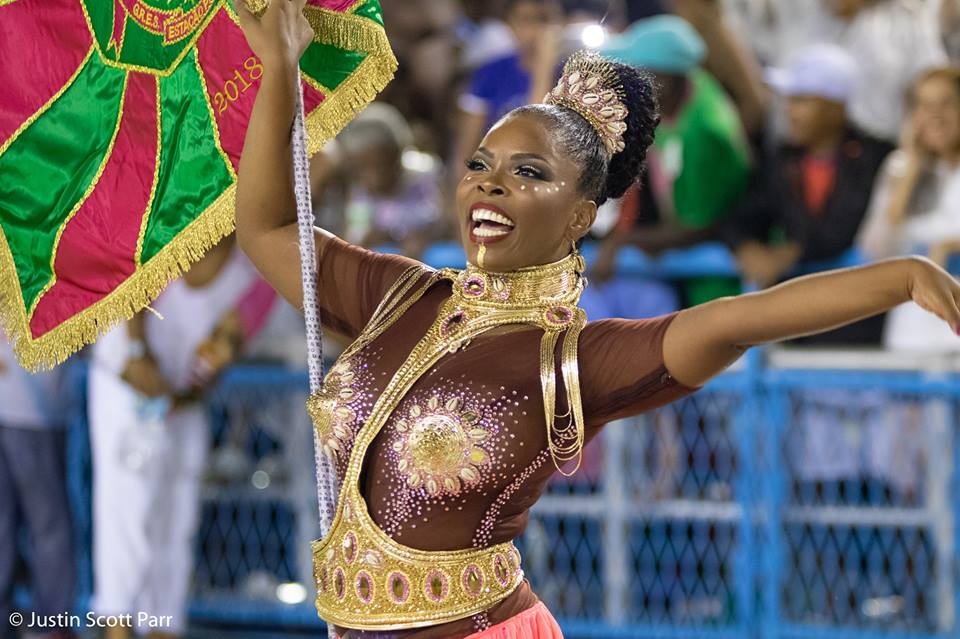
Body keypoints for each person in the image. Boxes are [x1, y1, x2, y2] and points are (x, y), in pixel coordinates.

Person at [234, 2, 960, 637]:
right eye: (483, 163)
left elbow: (739, 320)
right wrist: (277, 71)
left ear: (582, 215)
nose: (491, 181)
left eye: (529, 172)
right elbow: (266, 228)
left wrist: (900, 276)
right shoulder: (396, 295)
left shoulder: (571, 359)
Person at [88, 237, 259, 639]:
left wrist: (203, 376)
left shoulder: (251, 265)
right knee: (127, 513)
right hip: (125, 383)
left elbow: (229, 340)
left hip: (182, 402)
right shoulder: (175, 222)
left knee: (177, 521)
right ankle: (117, 626)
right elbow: (132, 284)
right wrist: (134, 352)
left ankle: (163, 628)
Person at [593, 15, 751, 307]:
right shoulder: (679, 93)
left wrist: (623, 243)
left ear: (668, 79)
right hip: (672, 245)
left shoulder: (706, 131)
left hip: (716, 269)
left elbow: (700, 227)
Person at [859, 66, 960, 351]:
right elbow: (877, 248)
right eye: (925, 105)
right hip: (911, 329)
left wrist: (951, 246)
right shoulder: (899, 168)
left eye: (947, 103)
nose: (935, 114)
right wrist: (913, 164)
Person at [0, 339, 75, 639]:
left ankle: (47, 623)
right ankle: (51, 625)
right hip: (34, 410)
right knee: (49, 525)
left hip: (34, 406)